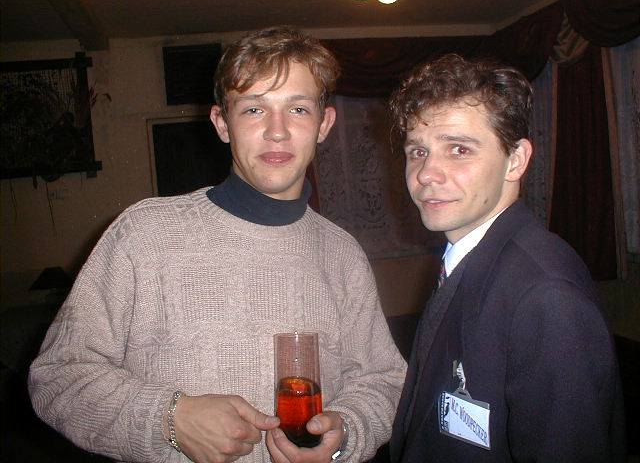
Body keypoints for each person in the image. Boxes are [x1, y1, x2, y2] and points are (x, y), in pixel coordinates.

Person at [28, 26, 406, 463]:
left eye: (298, 109)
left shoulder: (343, 254)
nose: (277, 131)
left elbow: (385, 380)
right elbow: (58, 377)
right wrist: (169, 418)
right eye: (254, 109)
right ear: (222, 123)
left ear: (324, 125)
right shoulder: (144, 235)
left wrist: (347, 431)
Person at [387, 54, 626, 462]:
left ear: (515, 160)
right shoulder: (468, 259)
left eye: (458, 149)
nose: (426, 173)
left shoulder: (546, 295)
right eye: (418, 151)